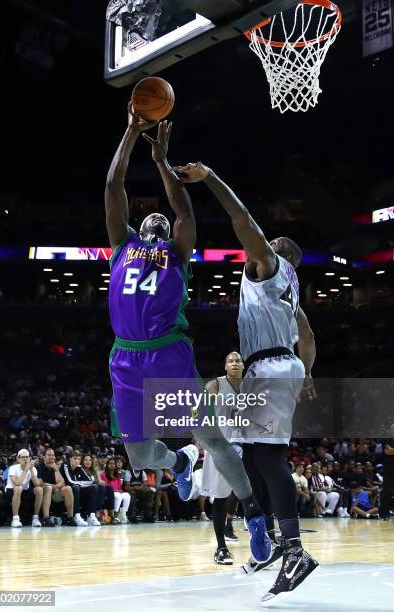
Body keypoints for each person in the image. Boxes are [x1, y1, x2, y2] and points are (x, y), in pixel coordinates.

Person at [104, 105, 270, 561]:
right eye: (149, 218)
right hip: (126, 359)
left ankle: (253, 515)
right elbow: (113, 186)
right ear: (138, 228)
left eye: (164, 218)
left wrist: (160, 161)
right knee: (139, 460)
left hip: (168, 355)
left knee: (213, 438)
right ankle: (178, 462)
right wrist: (130, 133)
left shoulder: (178, 252)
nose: (157, 219)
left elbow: (182, 208)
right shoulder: (122, 247)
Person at [174, 161, 318, 604]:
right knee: (253, 460)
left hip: (271, 369)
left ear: (279, 255)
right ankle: (276, 540)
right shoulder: (290, 290)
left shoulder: (270, 266)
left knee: (269, 461)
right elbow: (308, 336)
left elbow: (241, 220)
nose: (258, 246)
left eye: (267, 244)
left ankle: (295, 549)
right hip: (275, 368)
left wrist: (211, 178)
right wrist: (307, 373)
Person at [202, 351, 244, 565]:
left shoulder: (252, 388)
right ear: (225, 366)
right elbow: (197, 409)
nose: (234, 363)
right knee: (220, 498)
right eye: (230, 361)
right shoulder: (215, 385)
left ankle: (268, 541)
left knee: (256, 492)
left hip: (248, 445)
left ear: (243, 365)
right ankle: (221, 547)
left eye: (238, 360)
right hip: (221, 445)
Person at [60, 451, 101, 526]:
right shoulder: (65, 466)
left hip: (77, 490)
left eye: (78, 459)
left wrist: (80, 483)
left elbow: (90, 481)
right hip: (66, 491)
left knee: (94, 487)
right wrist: (81, 483)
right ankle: (76, 516)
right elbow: (70, 481)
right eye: (74, 459)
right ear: (70, 459)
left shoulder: (79, 467)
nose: (77, 461)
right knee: (76, 487)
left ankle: (91, 515)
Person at [36, 447, 74, 526]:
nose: (51, 457)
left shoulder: (54, 467)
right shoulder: (39, 467)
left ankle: (70, 517)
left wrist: (56, 469)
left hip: (53, 492)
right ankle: (46, 518)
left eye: (53, 455)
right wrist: (56, 486)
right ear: (44, 457)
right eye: (49, 455)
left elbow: (62, 483)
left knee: (68, 488)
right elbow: (40, 483)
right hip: (42, 493)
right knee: (48, 488)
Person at [5, 449, 43, 528]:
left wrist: (31, 469)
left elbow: (37, 484)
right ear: (18, 459)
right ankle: (15, 519)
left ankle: (35, 518)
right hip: (11, 491)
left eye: (27, 457)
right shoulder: (13, 468)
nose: (25, 459)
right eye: (23, 457)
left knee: (39, 489)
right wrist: (26, 469)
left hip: (25, 491)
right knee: (19, 488)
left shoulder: (33, 469)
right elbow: (17, 483)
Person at [82, 454, 118, 525]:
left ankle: (112, 514)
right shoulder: (80, 470)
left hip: (95, 490)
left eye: (89, 460)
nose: (88, 462)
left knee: (109, 488)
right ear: (82, 461)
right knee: (99, 487)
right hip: (85, 491)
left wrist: (99, 477)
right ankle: (97, 514)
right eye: (86, 460)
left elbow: (100, 482)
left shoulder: (94, 471)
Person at [100, 457, 131, 524]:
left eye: (113, 463)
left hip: (117, 491)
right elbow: (106, 486)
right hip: (109, 492)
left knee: (127, 495)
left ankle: (123, 515)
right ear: (107, 465)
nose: (112, 465)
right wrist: (116, 490)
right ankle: (115, 515)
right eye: (110, 463)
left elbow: (120, 487)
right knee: (118, 496)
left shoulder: (117, 475)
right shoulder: (103, 474)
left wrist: (120, 490)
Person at [380, 430, 394, 520]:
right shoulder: (386, 439)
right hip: (389, 469)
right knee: (387, 492)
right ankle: (384, 514)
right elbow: (388, 452)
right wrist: (391, 450)